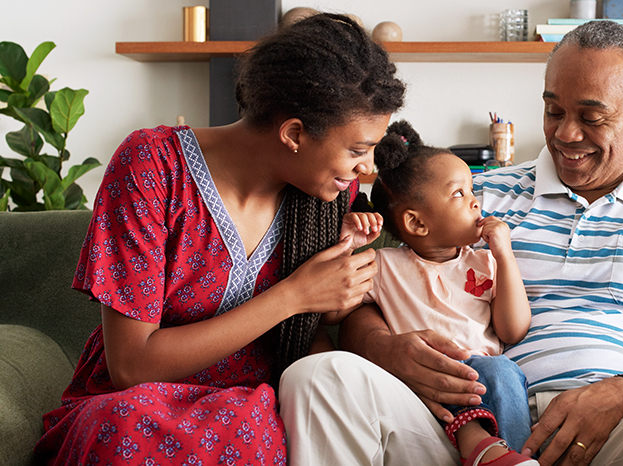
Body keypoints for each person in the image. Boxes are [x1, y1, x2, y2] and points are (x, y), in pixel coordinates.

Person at [277, 19, 623, 466]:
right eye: (553, 110)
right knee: (318, 376)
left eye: (591, 116)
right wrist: (383, 347)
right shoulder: (475, 195)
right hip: (474, 425)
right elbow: (379, 287)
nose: (564, 134)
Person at [34, 14, 404, 465]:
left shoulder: (325, 196)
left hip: (257, 411)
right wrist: (294, 296)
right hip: (140, 407)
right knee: (124, 429)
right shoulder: (151, 167)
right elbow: (131, 366)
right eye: (357, 150)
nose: (366, 168)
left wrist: (338, 295)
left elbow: (309, 348)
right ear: (293, 134)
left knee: (268, 431)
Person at [332, 120, 536, 465]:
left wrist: (505, 254)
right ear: (417, 223)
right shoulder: (384, 265)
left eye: (472, 191)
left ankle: (512, 455)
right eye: (459, 193)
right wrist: (347, 247)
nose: (475, 202)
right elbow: (333, 314)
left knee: (503, 371)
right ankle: (485, 448)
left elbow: (513, 330)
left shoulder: (485, 262)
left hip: (483, 378)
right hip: (421, 386)